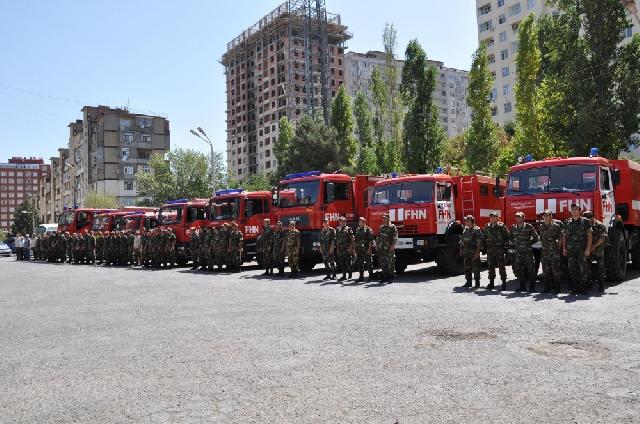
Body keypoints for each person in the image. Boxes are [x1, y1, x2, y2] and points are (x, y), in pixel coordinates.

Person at [563, 204, 592, 295]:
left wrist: (588, 249)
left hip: (582, 250)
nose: (574, 211)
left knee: (583, 269)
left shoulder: (585, 221)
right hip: (571, 250)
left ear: (579, 211)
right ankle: (575, 288)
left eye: (576, 209)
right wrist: (564, 248)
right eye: (573, 209)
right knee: (572, 269)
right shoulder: (567, 222)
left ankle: (583, 288)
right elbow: (564, 236)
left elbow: (590, 236)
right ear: (570, 211)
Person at [510, 211, 539, 292]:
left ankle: (532, 287)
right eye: (516, 217)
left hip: (528, 253)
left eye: (519, 217)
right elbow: (510, 237)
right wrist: (514, 243)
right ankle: (522, 286)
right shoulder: (514, 227)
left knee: (531, 270)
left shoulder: (529, 226)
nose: (517, 218)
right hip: (518, 253)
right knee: (519, 270)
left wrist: (529, 244)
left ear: (523, 218)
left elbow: (536, 237)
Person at [539, 210, 564, 294]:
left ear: (551, 216)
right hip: (545, 252)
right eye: (544, 216)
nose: (546, 217)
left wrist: (558, 247)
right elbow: (541, 238)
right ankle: (547, 288)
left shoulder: (556, 226)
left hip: (554, 252)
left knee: (555, 270)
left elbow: (560, 238)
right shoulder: (541, 226)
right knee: (545, 271)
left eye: (547, 215)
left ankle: (557, 288)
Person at [482, 211, 509, 290]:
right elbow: (484, 238)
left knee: (501, 267)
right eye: (491, 217)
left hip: (499, 250)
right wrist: (484, 248)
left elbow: (506, 237)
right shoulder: (487, 226)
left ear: (497, 218)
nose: (492, 218)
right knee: (490, 267)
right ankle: (491, 283)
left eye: (494, 217)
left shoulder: (501, 226)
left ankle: (504, 283)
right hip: (490, 250)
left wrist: (506, 249)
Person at [584, 210, 607, 293]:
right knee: (586, 267)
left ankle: (601, 285)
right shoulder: (584, 225)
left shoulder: (599, 225)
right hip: (588, 249)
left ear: (592, 218)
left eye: (588, 218)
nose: (586, 220)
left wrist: (594, 246)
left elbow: (603, 237)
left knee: (600, 268)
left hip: (598, 249)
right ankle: (589, 283)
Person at [461, 215, 482, 288]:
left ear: (470, 221)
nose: (465, 222)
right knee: (467, 267)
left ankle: (477, 283)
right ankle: (468, 282)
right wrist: (461, 249)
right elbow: (463, 240)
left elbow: (479, 243)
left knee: (476, 268)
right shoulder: (465, 229)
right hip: (466, 252)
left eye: (467, 220)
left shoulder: (476, 229)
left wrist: (477, 253)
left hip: (474, 252)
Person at [377, 213, 398, 284]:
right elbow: (378, 237)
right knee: (383, 263)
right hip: (382, 248)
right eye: (383, 218)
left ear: (388, 219)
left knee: (390, 262)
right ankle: (385, 277)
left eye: (385, 218)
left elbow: (395, 237)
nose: (384, 220)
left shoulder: (392, 227)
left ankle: (391, 276)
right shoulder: (381, 227)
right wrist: (377, 245)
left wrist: (393, 245)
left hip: (389, 248)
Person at [354, 217, 374, 283]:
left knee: (369, 263)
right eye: (360, 222)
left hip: (366, 249)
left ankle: (370, 277)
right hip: (359, 249)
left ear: (364, 222)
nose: (361, 223)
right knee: (360, 263)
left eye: (362, 222)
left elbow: (370, 240)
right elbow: (356, 240)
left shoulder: (368, 229)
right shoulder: (357, 229)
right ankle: (361, 277)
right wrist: (355, 249)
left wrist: (369, 249)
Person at [335, 217, 354, 281]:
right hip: (340, 249)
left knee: (348, 263)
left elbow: (352, 239)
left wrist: (350, 248)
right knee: (342, 263)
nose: (341, 222)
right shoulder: (337, 229)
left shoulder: (348, 229)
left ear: (345, 222)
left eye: (342, 221)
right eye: (340, 221)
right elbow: (337, 240)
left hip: (347, 249)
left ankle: (350, 276)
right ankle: (344, 276)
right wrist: (337, 249)